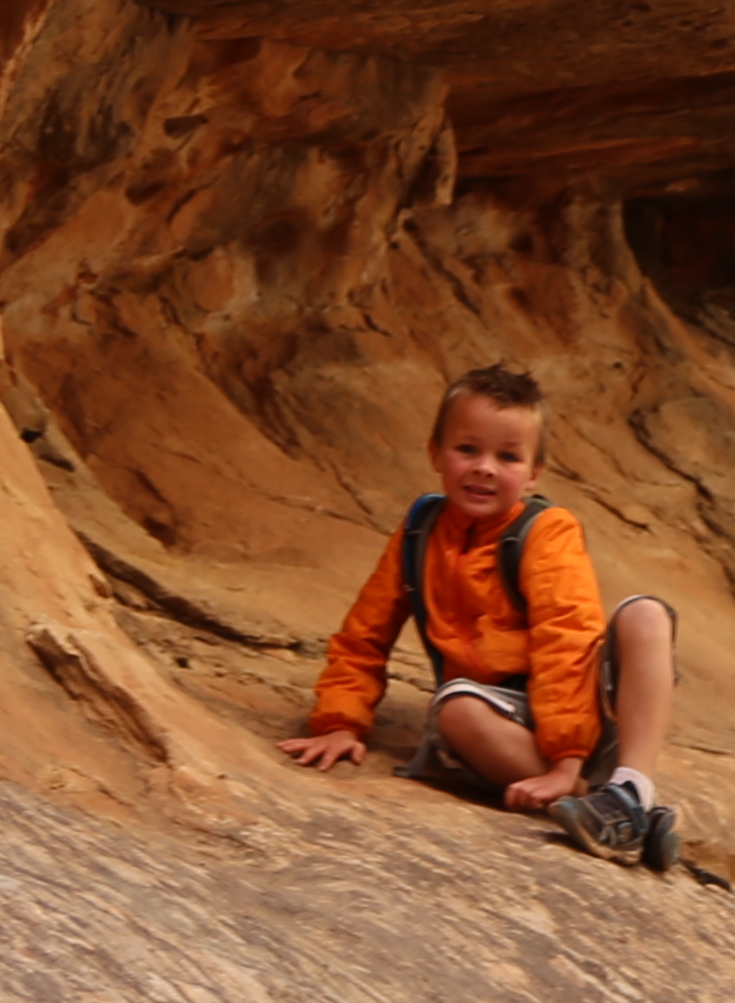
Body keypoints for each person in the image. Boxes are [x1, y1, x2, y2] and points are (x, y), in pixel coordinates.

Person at [279, 362, 684, 872]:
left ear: (534, 473)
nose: (484, 467)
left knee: (646, 615)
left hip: (582, 710)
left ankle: (630, 787)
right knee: (454, 709)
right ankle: (608, 808)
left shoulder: (547, 531)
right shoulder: (420, 531)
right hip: (500, 720)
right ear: (435, 452)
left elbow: (568, 638)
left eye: (508, 456)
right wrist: (340, 724)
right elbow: (365, 633)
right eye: (467, 449)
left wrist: (566, 760)